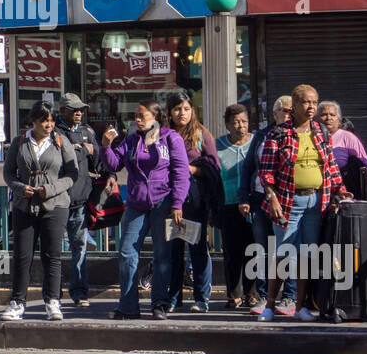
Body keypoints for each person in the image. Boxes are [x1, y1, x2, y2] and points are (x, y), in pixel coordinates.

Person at [257, 84, 352, 322]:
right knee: (284, 252)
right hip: (287, 201)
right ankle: (269, 305)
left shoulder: (320, 131)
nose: (311, 107)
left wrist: (341, 190)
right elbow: (266, 172)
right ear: (295, 105)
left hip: (316, 201)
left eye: (314, 102)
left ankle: (300, 306)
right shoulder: (279, 133)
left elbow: (330, 165)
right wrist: (272, 197)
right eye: (306, 102)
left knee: (307, 254)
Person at [101, 101, 190, 320]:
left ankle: (159, 303)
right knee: (126, 252)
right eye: (135, 116)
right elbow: (114, 164)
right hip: (136, 204)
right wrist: (105, 146)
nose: (137, 120)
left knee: (162, 255)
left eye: (142, 115)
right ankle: (128, 306)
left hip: (163, 204)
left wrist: (177, 203)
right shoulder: (131, 140)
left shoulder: (170, 138)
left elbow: (181, 173)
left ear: (156, 117)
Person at [1, 101, 79, 321]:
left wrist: (49, 189)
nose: (49, 124)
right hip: (24, 206)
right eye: (44, 120)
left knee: (52, 255)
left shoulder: (61, 142)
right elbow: (9, 174)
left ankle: (53, 301)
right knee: (22, 256)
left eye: (52, 120)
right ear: (33, 121)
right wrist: (19, 188)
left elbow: (72, 174)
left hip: (55, 205)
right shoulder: (19, 142)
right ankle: (17, 302)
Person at [239, 95, 296, 315]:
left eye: (292, 111)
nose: (289, 114)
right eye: (285, 110)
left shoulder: (296, 134)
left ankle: (289, 297)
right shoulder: (262, 135)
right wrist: (244, 196)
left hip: (286, 199)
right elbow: (247, 168)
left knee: (286, 248)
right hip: (260, 197)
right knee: (262, 249)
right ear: (275, 113)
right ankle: (263, 296)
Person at [164, 93, 220, 313]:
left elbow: (214, 166)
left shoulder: (201, 134)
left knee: (197, 250)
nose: (182, 113)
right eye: (177, 109)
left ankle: (201, 298)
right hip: (169, 199)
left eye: (186, 109)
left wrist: (192, 169)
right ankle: (173, 297)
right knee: (173, 250)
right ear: (169, 112)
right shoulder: (162, 134)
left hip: (195, 199)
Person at [55, 93, 99, 309]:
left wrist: (94, 149)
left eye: (81, 109)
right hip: (57, 201)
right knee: (53, 248)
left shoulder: (87, 131)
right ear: (63, 111)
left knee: (79, 247)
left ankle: (79, 291)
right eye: (74, 110)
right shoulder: (53, 131)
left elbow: (98, 161)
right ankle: (53, 292)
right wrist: (72, 148)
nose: (79, 113)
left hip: (80, 200)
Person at [216, 103, 258, 309]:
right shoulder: (218, 146)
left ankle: (252, 293)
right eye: (235, 123)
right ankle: (234, 295)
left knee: (254, 250)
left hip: (254, 205)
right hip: (229, 204)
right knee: (232, 252)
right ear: (227, 125)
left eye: (244, 122)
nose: (240, 126)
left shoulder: (257, 143)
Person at [318, 100, 367, 192]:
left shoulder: (348, 137)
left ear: (338, 120)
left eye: (332, 115)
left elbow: (364, 167)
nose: (328, 118)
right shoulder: (312, 137)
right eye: (324, 114)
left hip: (344, 190)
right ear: (316, 119)